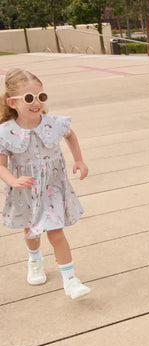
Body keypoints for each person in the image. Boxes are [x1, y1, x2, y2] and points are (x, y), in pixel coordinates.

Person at [0, 68, 90, 299]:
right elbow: (1, 165)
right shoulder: (6, 132)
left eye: (41, 96)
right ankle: (35, 259)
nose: (36, 102)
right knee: (30, 230)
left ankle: (70, 279)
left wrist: (78, 159)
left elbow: (70, 135)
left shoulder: (53, 123)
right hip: (26, 190)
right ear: (12, 102)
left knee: (55, 232)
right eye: (29, 98)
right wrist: (13, 180)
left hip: (52, 186)